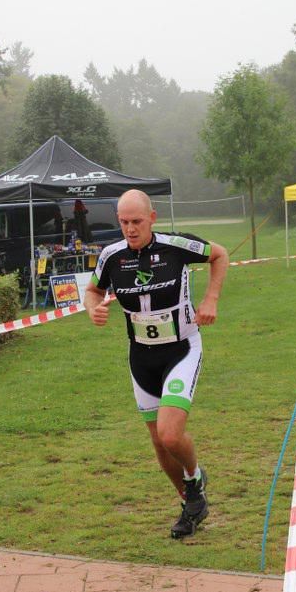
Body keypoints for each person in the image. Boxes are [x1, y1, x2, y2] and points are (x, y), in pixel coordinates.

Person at [84, 189, 229, 539]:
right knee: (159, 444)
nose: (130, 229)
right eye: (123, 222)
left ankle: (194, 477)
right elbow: (93, 291)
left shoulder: (176, 245)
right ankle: (191, 504)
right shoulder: (111, 255)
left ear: (152, 218)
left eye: (136, 221)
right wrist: (93, 309)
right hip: (141, 356)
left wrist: (211, 299)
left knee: (170, 433)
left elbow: (219, 254)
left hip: (181, 349)